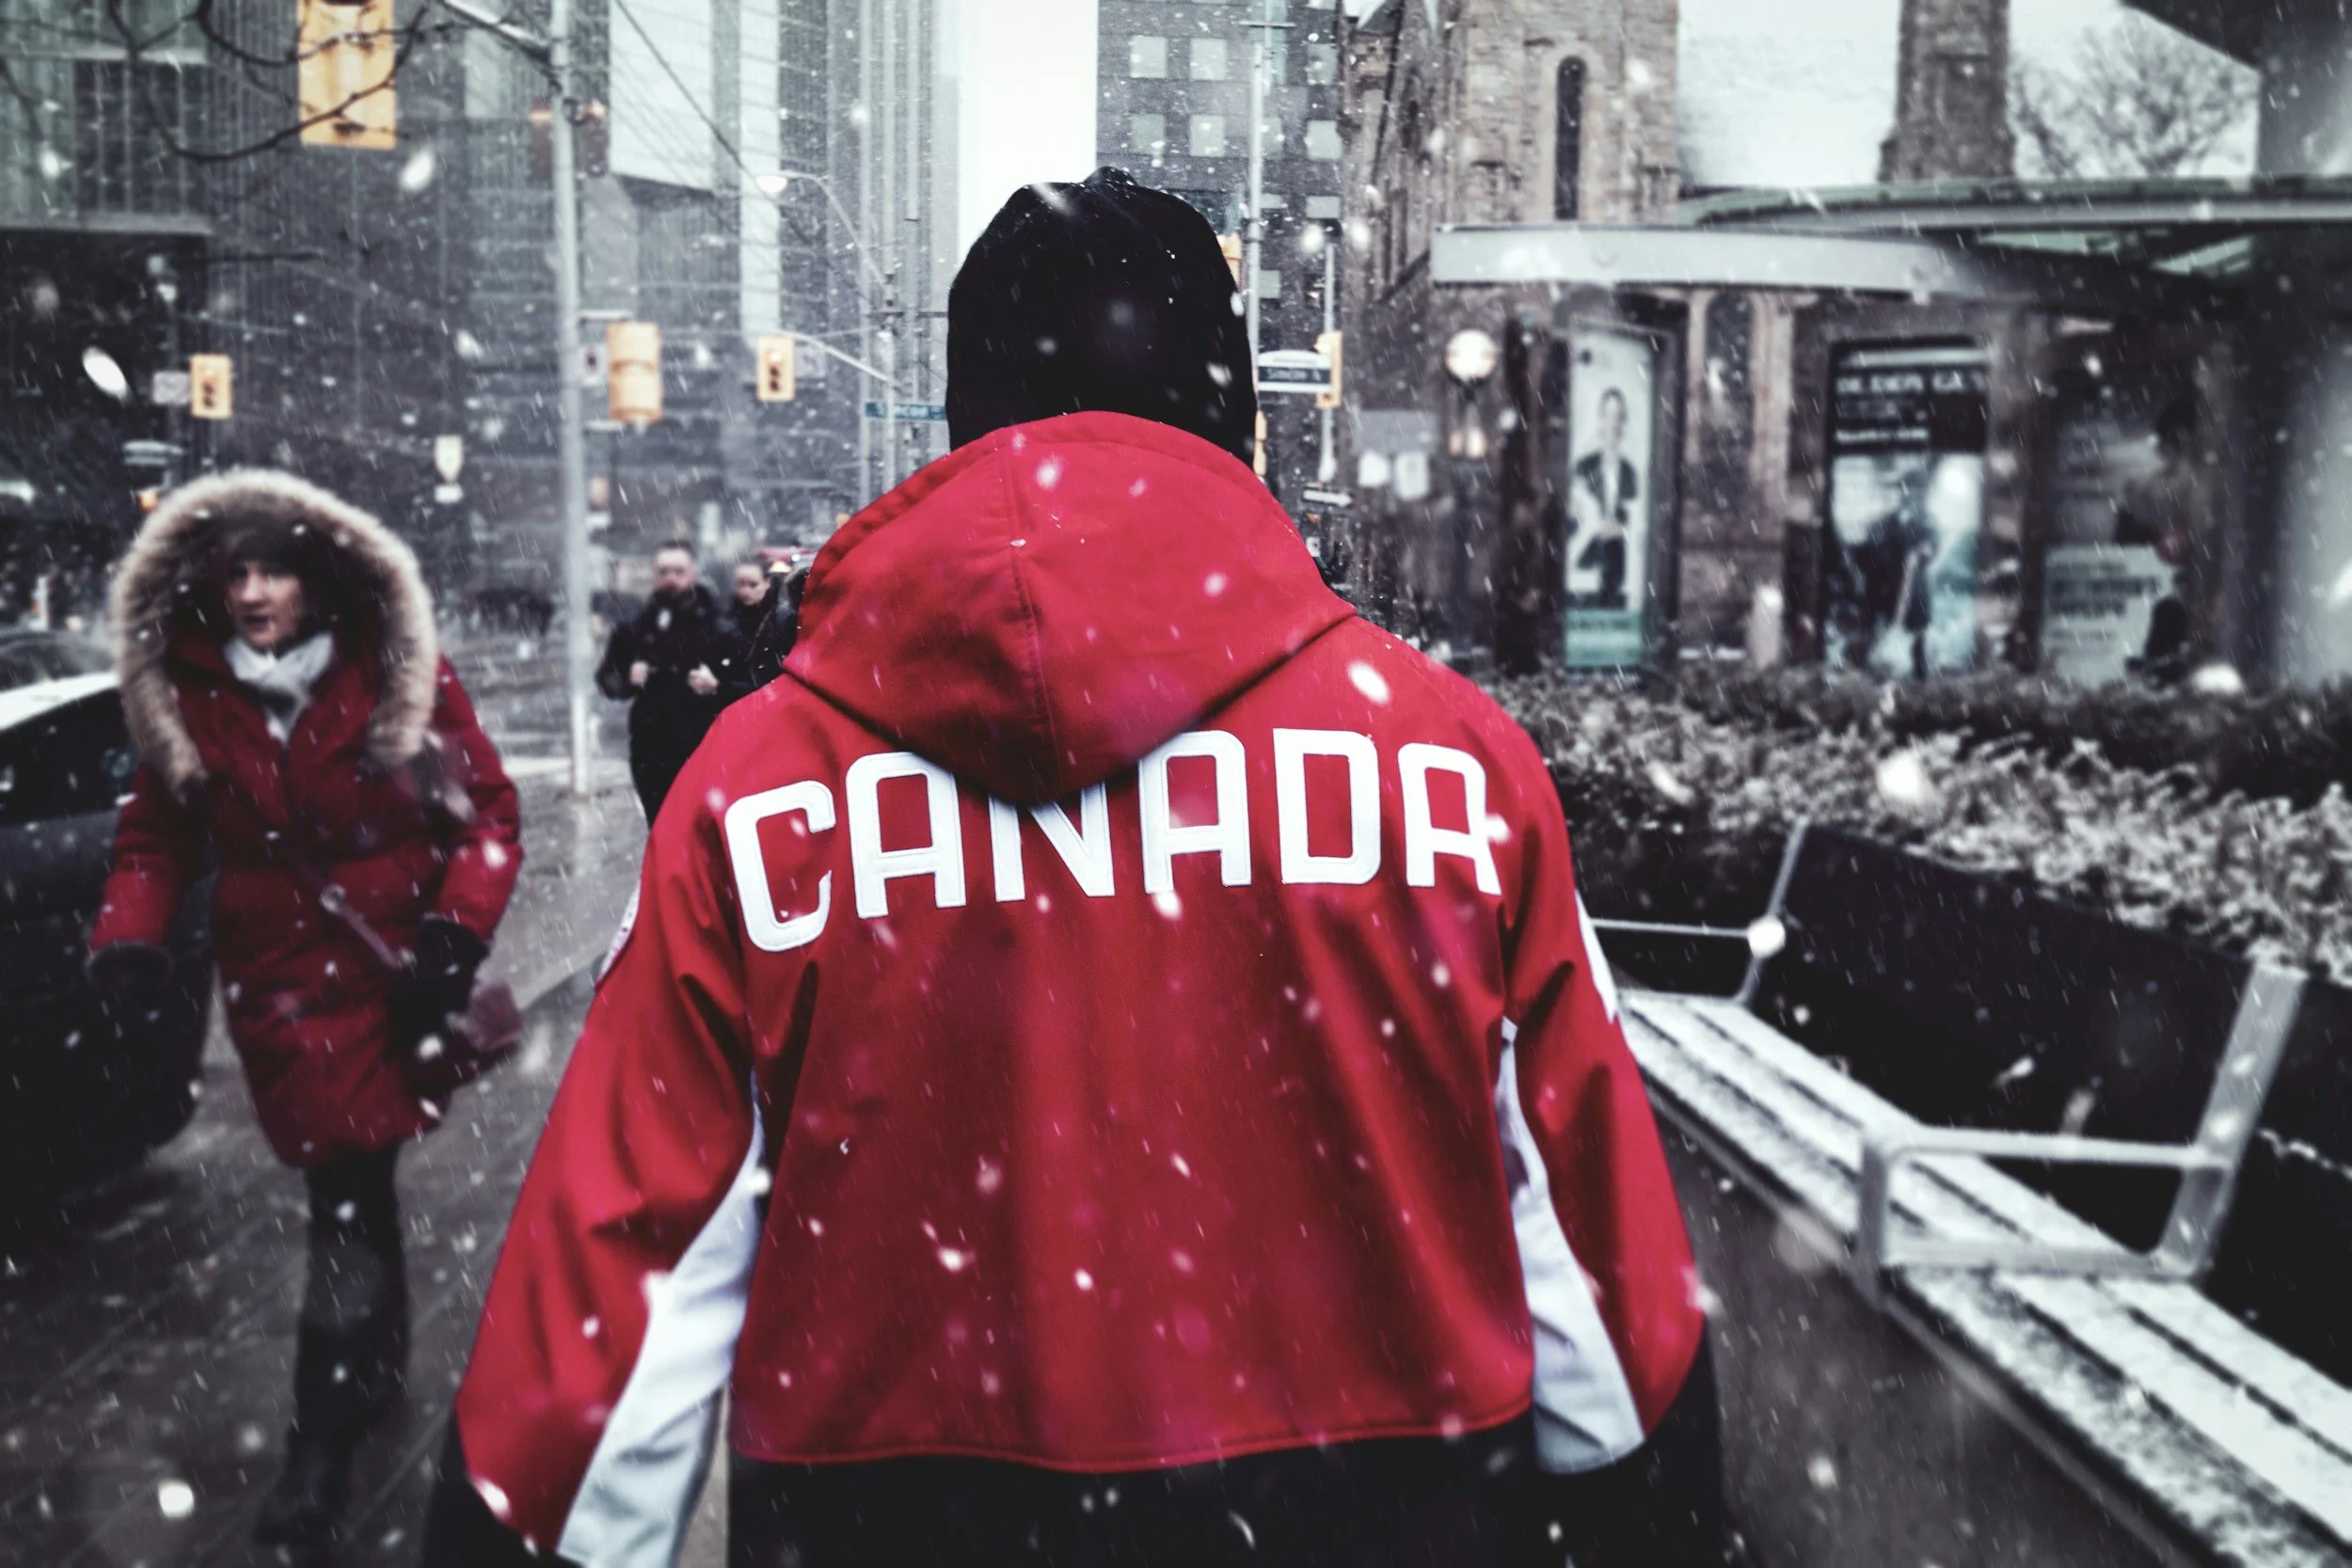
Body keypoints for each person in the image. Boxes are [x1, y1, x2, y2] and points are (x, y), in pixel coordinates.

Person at [425, 167, 1717, 1568]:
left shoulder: (760, 794)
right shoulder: (1457, 773)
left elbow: (605, 1345)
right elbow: (1609, 1315)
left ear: (962, 427)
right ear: (1246, 422)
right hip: (1388, 1511)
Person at [88, 470, 522, 1553]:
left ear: (319, 581)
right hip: (276, 979)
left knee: (343, 1188)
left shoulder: (394, 670)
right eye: (234, 571)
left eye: (272, 569)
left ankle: (320, 1439)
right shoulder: (188, 687)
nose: (250, 592)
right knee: (348, 1180)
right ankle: (373, 1366)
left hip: (388, 977)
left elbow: (489, 812)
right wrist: (127, 942)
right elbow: (156, 837)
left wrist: (455, 932)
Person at [594, 539, 751, 819]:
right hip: (651, 749)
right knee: (661, 827)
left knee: (702, 828)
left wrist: (717, 687)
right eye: (663, 572)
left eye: (679, 571)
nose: (671, 579)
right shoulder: (636, 627)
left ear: (693, 573)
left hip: (706, 747)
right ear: (654, 574)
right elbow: (607, 678)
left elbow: (752, 686)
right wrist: (628, 680)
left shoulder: (721, 626)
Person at [1569, 388, 1637, 610]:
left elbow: (1634, 521)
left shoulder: (1630, 472)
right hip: (1585, 567)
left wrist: (1622, 528)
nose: (1613, 424)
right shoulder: (1583, 466)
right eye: (1608, 415)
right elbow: (1574, 519)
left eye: (1619, 417)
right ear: (1600, 419)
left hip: (1618, 572)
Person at [730, 559, 771, 646]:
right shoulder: (727, 616)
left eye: (753, 585)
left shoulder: (777, 616)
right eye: (740, 584)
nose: (746, 591)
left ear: (767, 583)